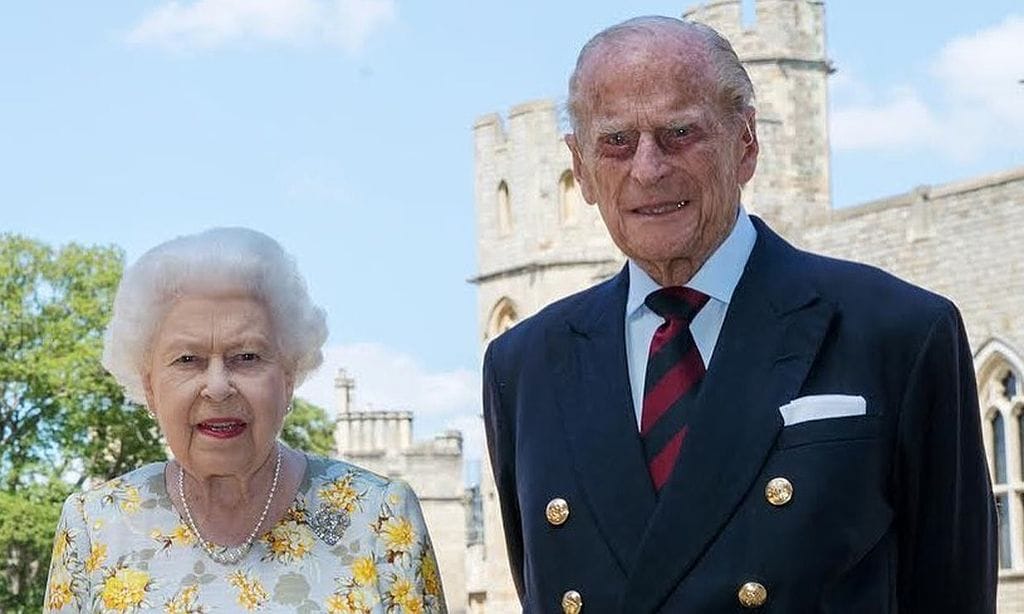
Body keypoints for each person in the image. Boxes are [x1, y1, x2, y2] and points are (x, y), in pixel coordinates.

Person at [482, 16, 996, 614]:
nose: (647, 169)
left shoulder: (899, 333)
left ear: (745, 144)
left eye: (679, 133)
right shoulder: (524, 366)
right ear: (582, 169)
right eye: (616, 142)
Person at [43, 228, 446, 613]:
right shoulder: (93, 526)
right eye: (188, 360)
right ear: (150, 387)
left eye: (247, 357)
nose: (218, 387)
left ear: (288, 378)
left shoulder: (379, 516)